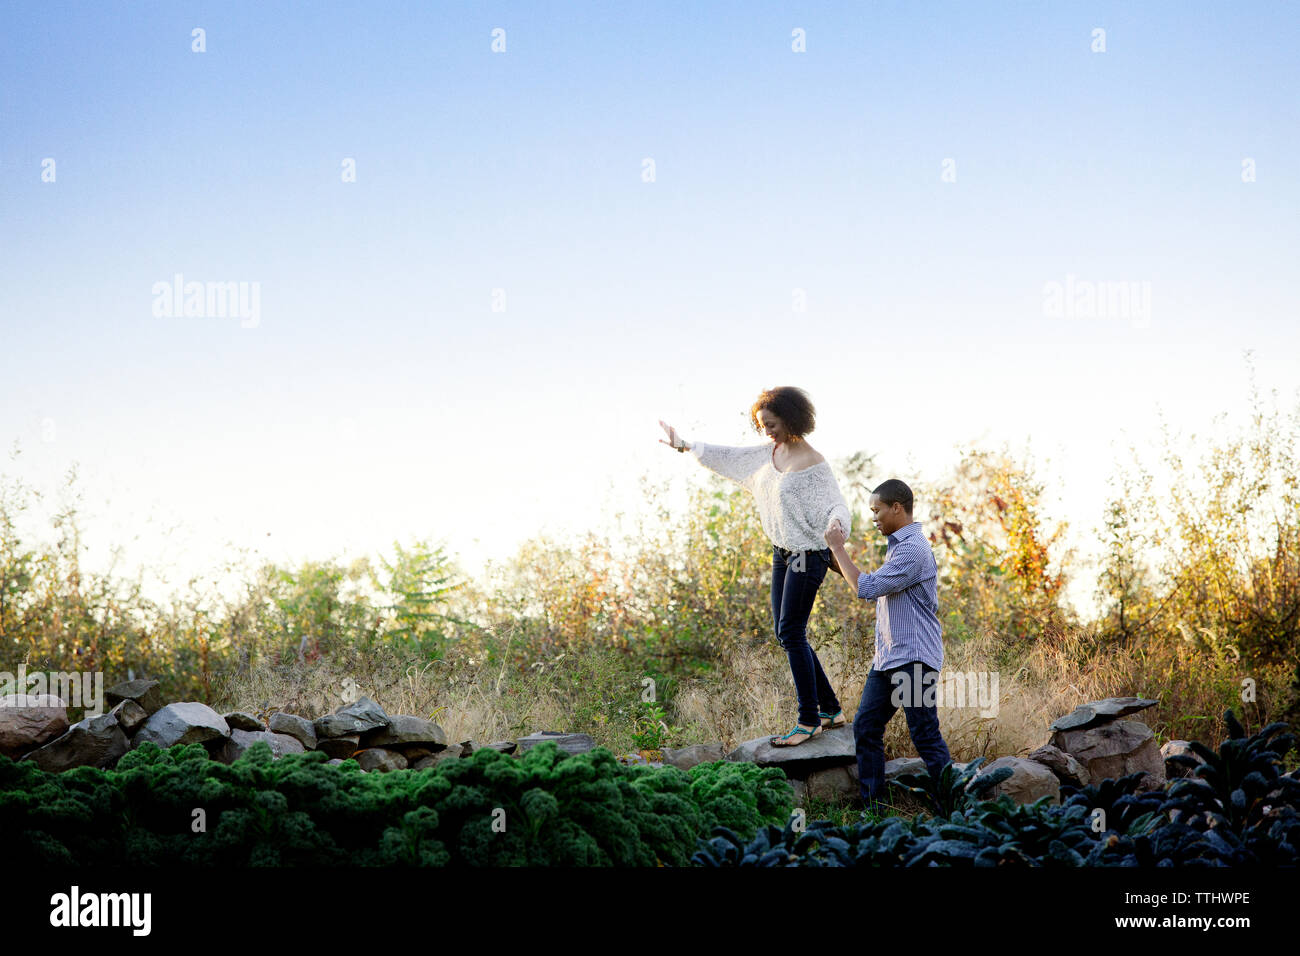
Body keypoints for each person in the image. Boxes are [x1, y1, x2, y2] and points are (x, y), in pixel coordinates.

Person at [660, 386, 853, 747]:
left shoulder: (812, 463)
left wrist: (837, 525)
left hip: (807, 555)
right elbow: (729, 456)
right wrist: (685, 445)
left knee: (791, 632)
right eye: (762, 425)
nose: (767, 431)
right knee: (786, 633)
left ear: (793, 419)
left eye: (772, 424)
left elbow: (837, 504)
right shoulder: (769, 453)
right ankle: (830, 710)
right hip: (781, 553)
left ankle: (808, 720)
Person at [823, 478, 953, 812]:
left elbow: (865, 587)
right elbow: (868, 583)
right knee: (866, 727)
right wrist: (828, 554)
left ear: (897, 507)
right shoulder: (897, 546)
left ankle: (953, 810)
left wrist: (838, 548)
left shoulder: (913, 549)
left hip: (914, 659)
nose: (874, 517)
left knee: (924, 734)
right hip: (888, 659)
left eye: (877, 510)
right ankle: (875, 811)